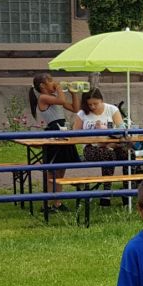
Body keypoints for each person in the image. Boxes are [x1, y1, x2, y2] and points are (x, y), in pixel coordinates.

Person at [30, 72, 81, 210]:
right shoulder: (43, 98)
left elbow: (75, 108)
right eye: (51, 81)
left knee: (61, 169)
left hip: (62, 131)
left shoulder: (54, 98)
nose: (54, 83)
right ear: (43, 85)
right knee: (52, 171)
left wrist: (74, 93)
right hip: (53, 132)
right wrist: (59, 88)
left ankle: (57, 202)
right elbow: (62, 101)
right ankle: (48, 202)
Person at [75, 88, 128, 205]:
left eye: (95, 104)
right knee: (108, 154)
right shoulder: (82, 114)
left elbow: (122, 129)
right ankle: (106, 192)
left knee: (129, 153)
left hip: (113, 144)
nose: (93, 107)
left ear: (102, 100)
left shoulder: (112, 109)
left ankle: (128, 189)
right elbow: (75, 135)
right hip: (91, 147)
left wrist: (109, 137)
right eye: (89, 104)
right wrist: (94, 140)